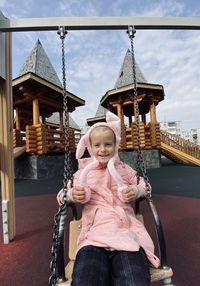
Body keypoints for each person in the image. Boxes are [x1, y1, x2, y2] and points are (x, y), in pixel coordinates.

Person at [57, 111, 160, 286]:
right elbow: (62, 195)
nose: (103, 149)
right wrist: (72, 195)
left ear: (115, 145)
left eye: (108, 144)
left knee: (134, 280)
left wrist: (135, 191)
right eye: (97, 145)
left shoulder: (124, 169)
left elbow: (145, 187)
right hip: (93, 236)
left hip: (125, 233)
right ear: (89, 147)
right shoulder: (82, 173)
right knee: (86, 279)